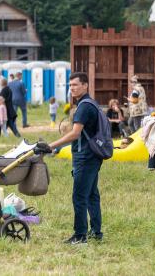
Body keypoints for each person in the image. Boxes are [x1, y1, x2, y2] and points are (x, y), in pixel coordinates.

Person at [48, 72, 104, 245]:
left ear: (85, 85)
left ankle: (80, 236)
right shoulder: (90, 103)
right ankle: (96, 231)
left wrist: (52, 145)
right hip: (93, 155)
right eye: (70, 85)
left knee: (79, 196)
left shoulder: (84, 107)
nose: (71, 88)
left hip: (85, 157)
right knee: (92, 194)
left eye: (75, 85)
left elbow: (75, 133)